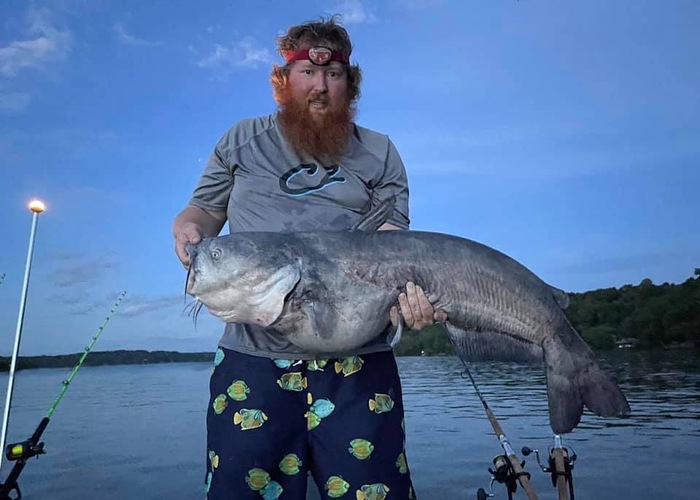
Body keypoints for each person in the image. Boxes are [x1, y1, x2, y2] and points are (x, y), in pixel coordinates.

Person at [173, 16, 444, 500]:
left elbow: (393, 244)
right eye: (308, 73)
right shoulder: (242, 140)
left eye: (334, 75)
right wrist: (188, 226)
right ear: (283, 81)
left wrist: (413, 296)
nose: (320, 87)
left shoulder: (379, 153)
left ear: (349, 84)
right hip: (252, 359)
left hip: (360, 363)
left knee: (374, 493)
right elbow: (206, 210)